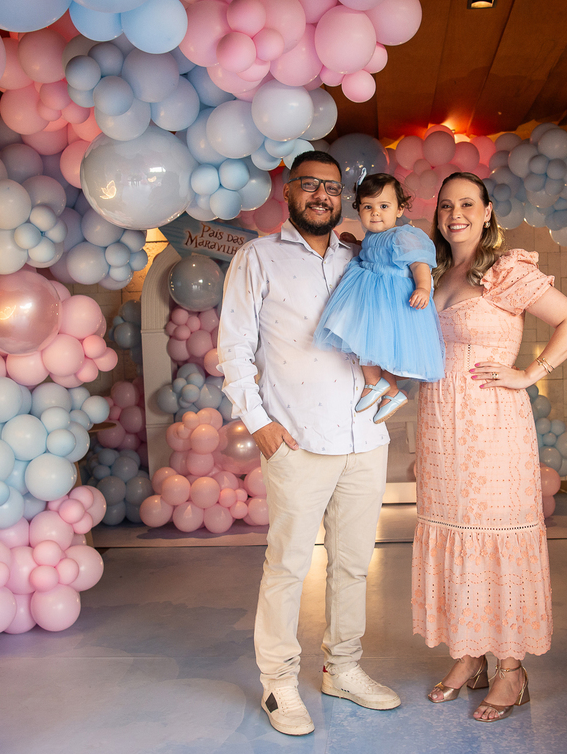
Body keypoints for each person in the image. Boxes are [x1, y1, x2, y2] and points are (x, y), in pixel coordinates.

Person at [217, 150, 400, 737]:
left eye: (331, 188)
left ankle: (342, 669)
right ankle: (278, 682)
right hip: (296, 438)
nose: (322, 196)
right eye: (310, 185)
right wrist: (258, 422)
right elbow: (234, 348)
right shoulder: (257, 258)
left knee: (352, 564)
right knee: (288, 565)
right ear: (289, 192)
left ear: (342, 198)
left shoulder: (359, 257)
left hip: (365, 435)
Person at [412, 172, 567, 722]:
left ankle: (511, 669)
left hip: (492, 429)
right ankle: (469, 657)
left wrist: (530, 373)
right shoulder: (432, 273)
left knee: (493, 537)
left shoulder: (503, 270)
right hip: (440, 428)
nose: (455, 214)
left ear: (488, 211)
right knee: (454, 531)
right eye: (446, 205)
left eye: (467, 203)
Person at [313, 173, 444, 423]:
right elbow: (374, 253)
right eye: (367, 207)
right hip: (373, 296)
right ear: (358, 210)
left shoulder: (403, 235)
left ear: (399, 209)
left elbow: (420, 263)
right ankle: (390, 390)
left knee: (369, 342)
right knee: (368, 343)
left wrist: (423, 288)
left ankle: (377, 383)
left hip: (391, 301)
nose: (375, 213)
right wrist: (356, 244)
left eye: (384, 206)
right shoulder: (373, 236)